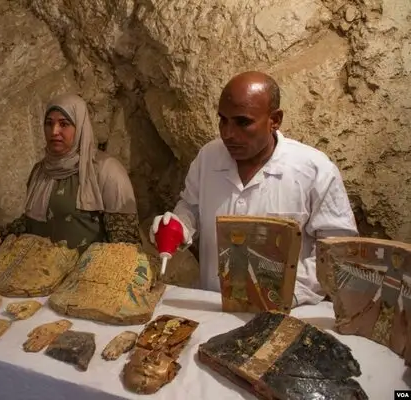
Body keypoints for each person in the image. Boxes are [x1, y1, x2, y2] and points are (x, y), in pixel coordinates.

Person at [149, 71, 359, 307]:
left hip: (286, 314)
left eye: (243, 122)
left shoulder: (314, 171)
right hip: (213, 309)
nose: (228, 133)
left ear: (275, 120)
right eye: (223, 120)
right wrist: (179, 226)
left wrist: (282, 289)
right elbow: (191, 207)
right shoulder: (208, 158)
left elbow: (339, 252)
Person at [0, 93, 141, 253]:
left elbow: (124, 243)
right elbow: (31, 222)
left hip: (85, 274)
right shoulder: (40, 171)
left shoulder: (106, 170)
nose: (54, 131)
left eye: (64, 124)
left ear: (80, 128)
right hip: (39, 271)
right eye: (49, 124)